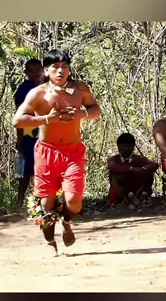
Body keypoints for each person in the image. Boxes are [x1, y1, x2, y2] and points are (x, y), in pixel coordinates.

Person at [12, 49, 100, 254]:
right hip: (46, 152)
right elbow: (18, 120)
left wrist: (82, 114)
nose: (61, 71)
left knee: (74, 202)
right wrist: (46, 119)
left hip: (73, 151)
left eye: (65, 67)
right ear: (46, 70)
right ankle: (50, 240)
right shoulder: (38, 93)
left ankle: (66, 221)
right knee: (46, 203)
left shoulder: (80, 89)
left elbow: (96, 110)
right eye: (55, 67)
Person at [13, 58, 44, 207]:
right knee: (26, 168)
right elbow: (19, 114)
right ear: (26, 72)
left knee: (43, 167)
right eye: (31, 70)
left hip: (47, 132)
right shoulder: (24, 89)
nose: (35, 73)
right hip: (29, 133)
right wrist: (19, 137)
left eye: (38, 69)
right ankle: (20, 201)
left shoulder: (48, 87)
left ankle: (41, 200)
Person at [107, 133, 159, 207]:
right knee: (117, 176)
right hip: (120, 190)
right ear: (119, 147)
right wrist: (131, 169)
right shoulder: (114, 159)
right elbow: (113, 167)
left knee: (148, 173)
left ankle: (143, 195)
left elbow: (154, 165)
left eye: (129, 146)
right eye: (124, 146)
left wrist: (144, 169)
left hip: (137, 187)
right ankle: (128, 197)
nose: (126, 149)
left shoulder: (139, 159)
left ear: (133, 147)